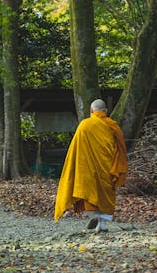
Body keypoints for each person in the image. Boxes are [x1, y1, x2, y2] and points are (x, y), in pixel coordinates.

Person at [54, 99, 128, 232]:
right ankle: (102, 224)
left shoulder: (84, 125)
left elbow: (75, 150)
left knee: (90, 192)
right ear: (105, 111)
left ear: (91, 111)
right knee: (106, 193)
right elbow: (120, 148)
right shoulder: (113, 126)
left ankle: (97, 220)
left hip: (87, 167)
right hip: (108, 166)